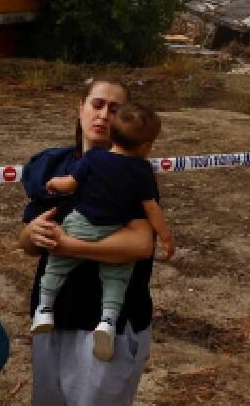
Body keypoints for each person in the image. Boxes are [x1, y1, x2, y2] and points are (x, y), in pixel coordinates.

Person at [19, 79, 157, 406]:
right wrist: (31, 234)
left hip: (109, 323)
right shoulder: (51, 166)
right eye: (97, 105)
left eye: (115, 109)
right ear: (80, 108)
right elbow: (27, 241)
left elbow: (140, 245)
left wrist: (69, 246)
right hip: (53, 316)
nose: (103, 115)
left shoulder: (134, 172)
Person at [31, 102, 174, 363]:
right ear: (145, 147)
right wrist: (165, 236)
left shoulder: (94, 158)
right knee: (116, 278)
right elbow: (151, 208)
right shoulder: (143, 171)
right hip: (113, 230)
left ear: (112, 135)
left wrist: (53, 183)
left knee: (56, 267)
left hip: (81, 223)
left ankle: (44, 309)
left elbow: (70, 183)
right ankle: (107, 322)